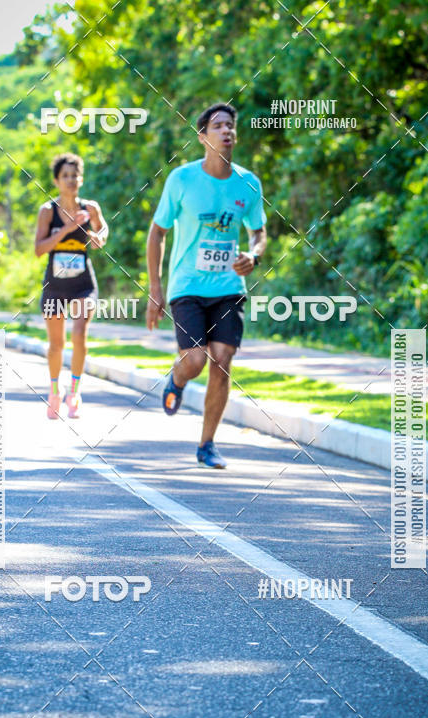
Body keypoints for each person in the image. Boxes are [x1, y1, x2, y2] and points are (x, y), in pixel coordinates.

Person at [146, 102, 267, 469]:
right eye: (218, 126)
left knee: (223, 360)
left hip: (229, 286)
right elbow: (157, 232)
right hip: (187, 285)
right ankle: (177, 377)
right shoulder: (182, 179)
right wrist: (155, 287)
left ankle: (207, 444)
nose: (227, 131)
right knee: (195, 360)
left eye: (230, 125)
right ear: (203, 137)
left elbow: (258, 231)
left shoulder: (248, 183)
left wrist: (255, 255)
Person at [34, 152, 108, 419]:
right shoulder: (47, 211)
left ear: (81, 178)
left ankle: (74, 391)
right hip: (55, 286)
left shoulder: (90, 208)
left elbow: (102, 230)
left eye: (75, 175)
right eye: (65, 176)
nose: (71, 180)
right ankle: (54, 391)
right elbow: (39, 249)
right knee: (57, 344)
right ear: (56, 180)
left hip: (82, 285)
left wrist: (99, 237)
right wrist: (66, 230)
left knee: (79, 335)